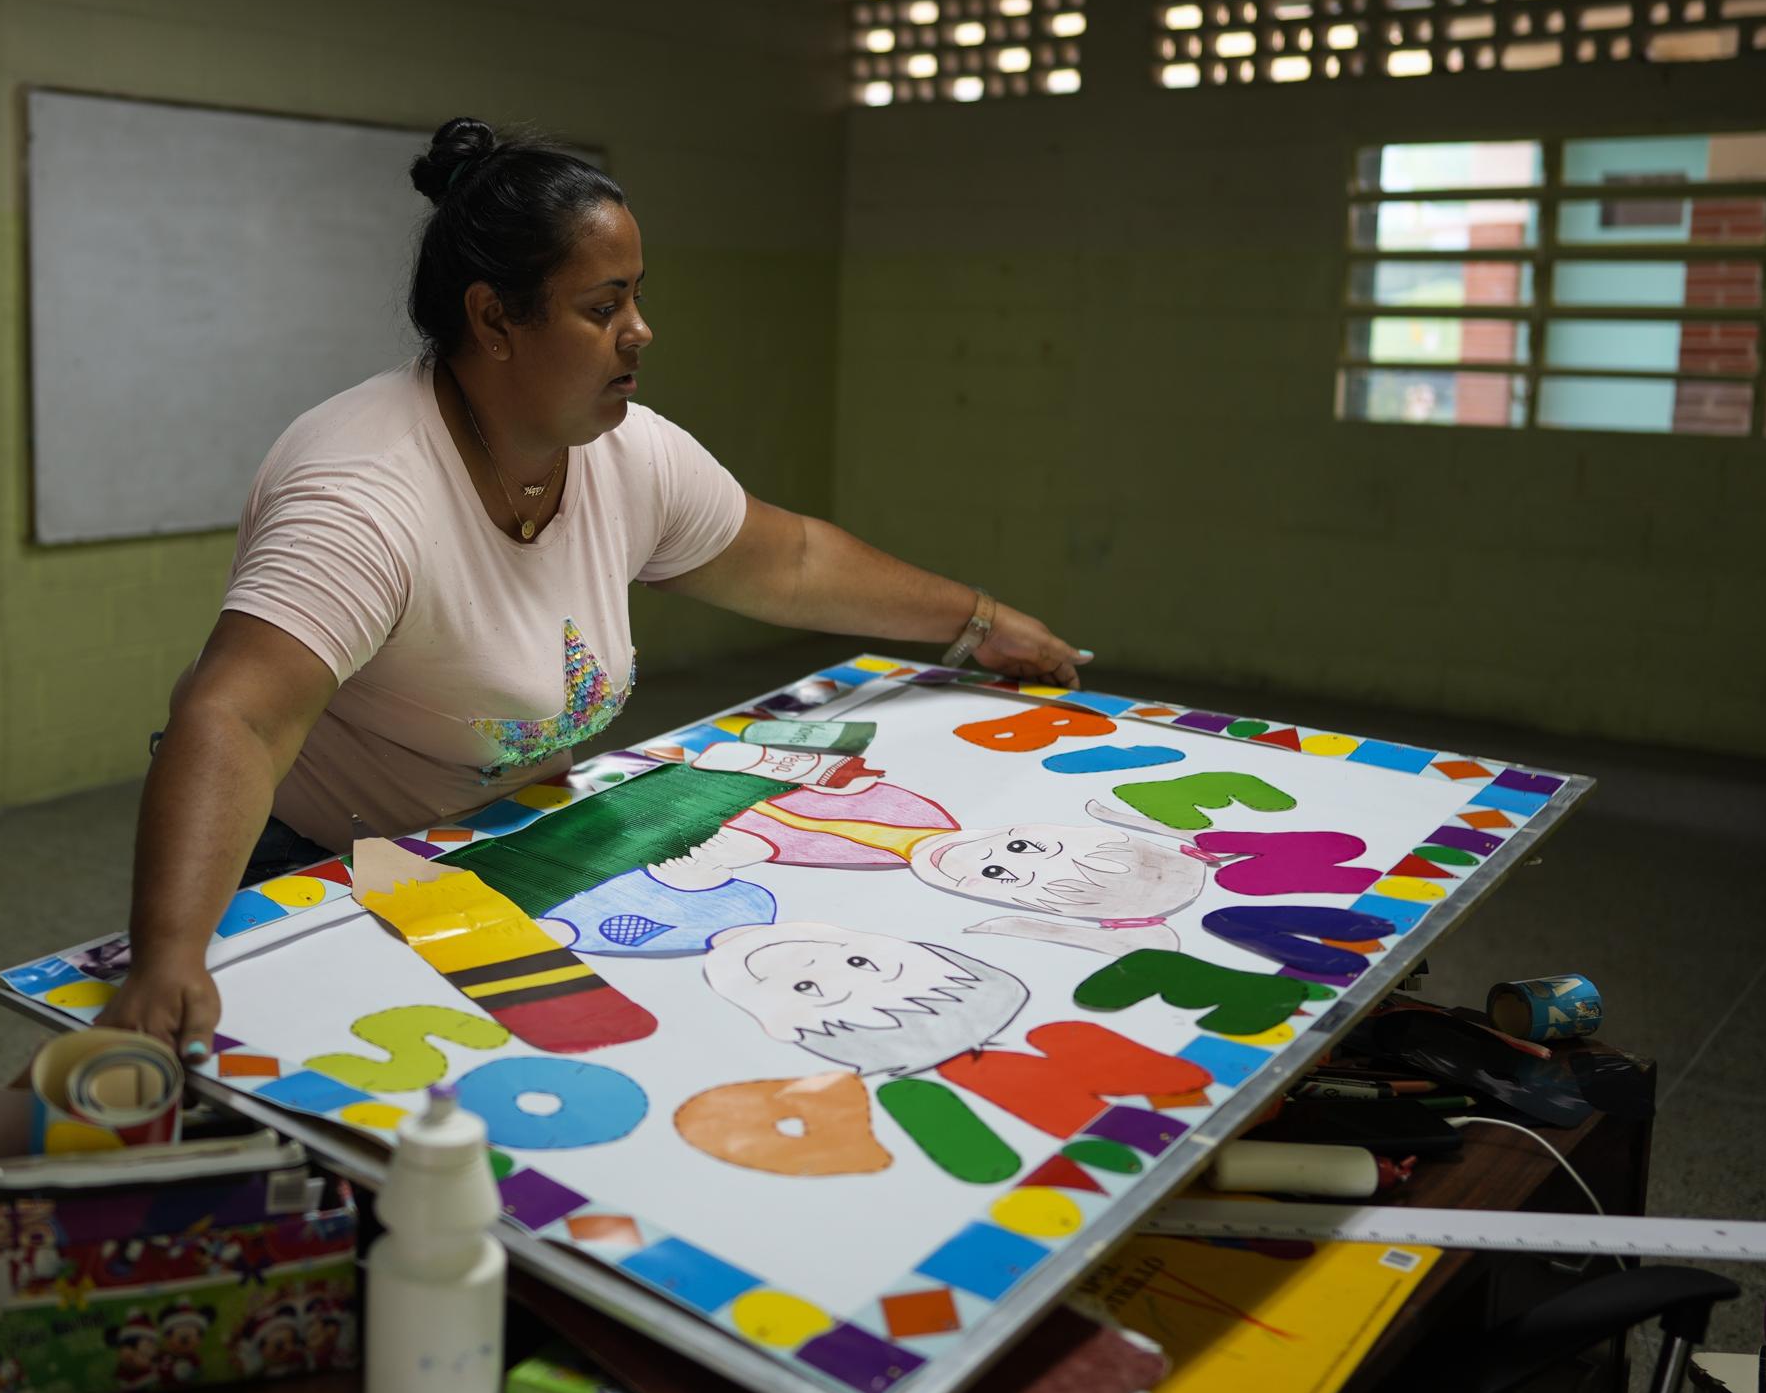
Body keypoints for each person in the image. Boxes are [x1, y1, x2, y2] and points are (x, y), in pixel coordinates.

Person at [95, 118, 1085, 1055]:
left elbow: (790, 563)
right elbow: (234, 719)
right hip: (321, 870)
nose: (642, 333)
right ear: (494, 319)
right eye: (603, 308)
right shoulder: (365, 490)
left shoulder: (626, 455)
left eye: (637, 298)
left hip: (501, 847)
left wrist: (975, 623)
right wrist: (172, 954)